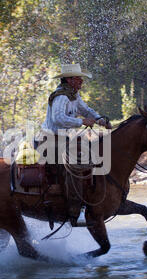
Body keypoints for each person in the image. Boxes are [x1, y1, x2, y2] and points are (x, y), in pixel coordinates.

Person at [40, 63, 111, 226]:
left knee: (91, 157)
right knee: (75, 167)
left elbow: (86, 110)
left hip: (63, 139)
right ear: (70, 80)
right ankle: (74, 212)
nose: (81, 81)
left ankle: (88, 201)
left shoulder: (74, 95)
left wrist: (100, 119)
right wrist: (82, 122)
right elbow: (58, 119)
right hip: (51, 139)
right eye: (79, 78)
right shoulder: (61, 96)